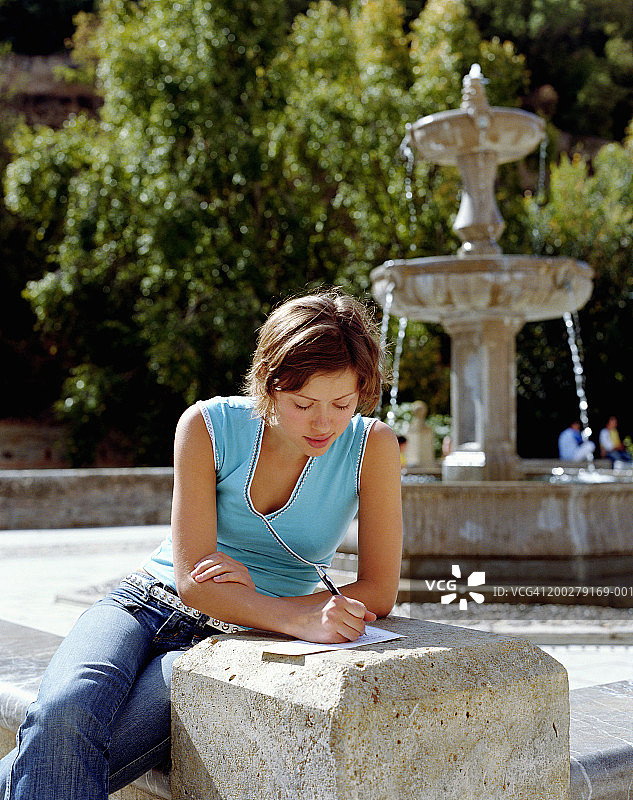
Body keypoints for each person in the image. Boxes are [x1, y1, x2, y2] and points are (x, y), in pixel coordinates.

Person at [0, 290, 403, 800]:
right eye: (303, 404)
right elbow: (193, 582)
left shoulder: (373, 446)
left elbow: (379, 589)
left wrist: (257, 606)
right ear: (269, 384)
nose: (324, 423)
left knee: (80, 749)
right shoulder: (207, 426)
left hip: (232, 639)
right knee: (62, 713)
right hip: (142, 602)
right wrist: (299, 616)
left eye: (342, 404)